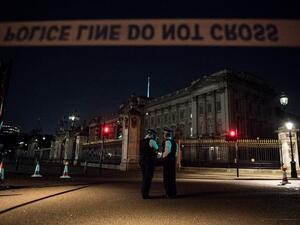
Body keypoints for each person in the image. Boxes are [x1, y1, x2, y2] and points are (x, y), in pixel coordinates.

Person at [139, 129, 160, 199]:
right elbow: (157, 147)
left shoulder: (142, 141)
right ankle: (145, 194)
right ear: (153, 135)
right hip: (149, 161)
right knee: (148, 177)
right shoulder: (152, 141)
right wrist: (156, 141)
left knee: (144, 177)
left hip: (142, 161)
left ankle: (143, 192)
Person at [162, 128, 177, 198]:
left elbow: (167, 151)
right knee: (172, 177)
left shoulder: (167, 141)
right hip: (172, 160)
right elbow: (176, 153)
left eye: (164, 134)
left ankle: (168, 193)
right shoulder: (174, 142)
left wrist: (162, 157)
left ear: (166, 134)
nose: (163, 135)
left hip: (167, 161)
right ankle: (173, 192)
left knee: (167, 177)